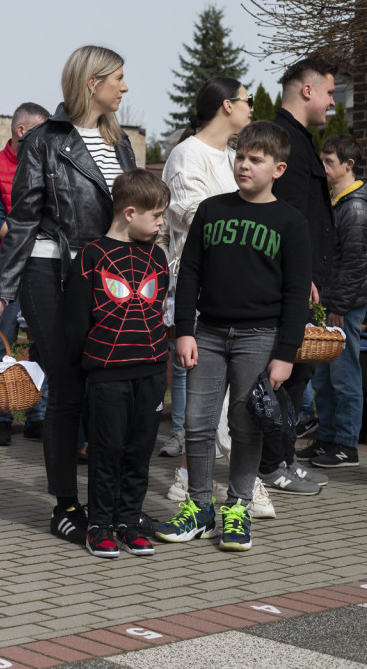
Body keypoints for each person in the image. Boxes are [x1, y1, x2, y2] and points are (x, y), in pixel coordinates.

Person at [0, 45, 136, 546]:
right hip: (52, 274)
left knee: (110, 389)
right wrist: (1, 295)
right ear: (92, 83)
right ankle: (66, 505)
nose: (125, 88)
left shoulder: (122, 142)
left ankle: (110, 506)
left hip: (109, 275)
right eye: (118, 79)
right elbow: (22, 219)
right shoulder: (45, 141)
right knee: (68, 389)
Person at [156, 121, 311, 552]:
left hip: (260, 338)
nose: (244, 164)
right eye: (239, 156)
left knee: (245, 426)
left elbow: (297, 294)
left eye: (255, 159)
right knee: (198, 424)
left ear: (278, 168)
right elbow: (189, 274)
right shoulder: (211, 210)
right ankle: (200, 509)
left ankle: (238, 507)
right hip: (206, 334)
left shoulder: (291, 222)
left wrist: (285, 355)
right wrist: (184, 330)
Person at [156, 78, 274, 519]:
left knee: (236, 395)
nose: (251, 108)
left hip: (239, 284)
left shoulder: (228, 156)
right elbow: (192, 215)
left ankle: (207, 479)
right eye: (247, 100)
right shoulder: (187, 154)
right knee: (213, 397)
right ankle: (203, 483)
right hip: (202, 285)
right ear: (227, 106)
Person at [66, 169, 169, 558]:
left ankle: (129, 520)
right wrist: (78, 369)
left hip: (152, 371)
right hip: (108, 373)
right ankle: (100, 524)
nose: (161, 223)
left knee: (140, 450)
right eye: (156, 216)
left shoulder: (156, 257)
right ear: (130, 212)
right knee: (107, 451)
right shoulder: (92, 255)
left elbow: (157, 309)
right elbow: (77, 321)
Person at [260, 57, 338, 493]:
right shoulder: (283, 139)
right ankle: (272, 466)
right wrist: (300, 274)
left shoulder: (301, 140)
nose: (332, 101)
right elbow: (285, 217)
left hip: (306, 280)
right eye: (329, 92)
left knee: (298, 377)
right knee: (284, 377)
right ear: (307, 91)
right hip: (295, 282)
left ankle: (284, 459)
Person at [0, 102, 50, 447]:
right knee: (1, 346)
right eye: (40, 131)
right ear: (22, 131)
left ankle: (37, 416)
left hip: (41, 271)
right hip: (6, 270)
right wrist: (28, 241)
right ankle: (1, 418)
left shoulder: (47, 164)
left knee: (42, 347)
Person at [303, 135, 367, 468]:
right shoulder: (335, 199)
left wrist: (339, 306)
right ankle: (326, 439)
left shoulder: (355, 206)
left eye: (330, 161)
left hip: (345, 306)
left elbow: (356, 262)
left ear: (348, 165)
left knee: (345, 376)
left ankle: (346, 445)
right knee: (323, 377)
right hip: (328, 303)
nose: (324, 166)